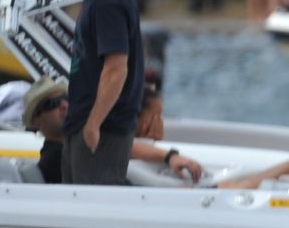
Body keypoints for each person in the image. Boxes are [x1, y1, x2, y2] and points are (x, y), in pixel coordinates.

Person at [54, 0, 144, 186]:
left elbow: (116, 68)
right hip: (85, 123)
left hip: (104, 130)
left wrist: (93, 123)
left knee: (88, 211)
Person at [22, 76, 203, 185]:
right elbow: (116, 149)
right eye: (52, 104)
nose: (63, 105)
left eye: (65, 98)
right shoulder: (56, 158)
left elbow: (118, 147)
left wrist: (170, 156)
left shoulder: (75, 146)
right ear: (36, 122)